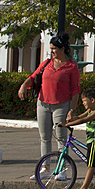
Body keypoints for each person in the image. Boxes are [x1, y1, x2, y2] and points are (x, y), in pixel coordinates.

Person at [17, 34, 80, 180]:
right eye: (50, 48)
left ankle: (61, 169)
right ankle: (45, 168)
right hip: (43, 104)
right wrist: (23, 86)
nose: (51, 51)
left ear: (62, 49)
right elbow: (33, 77)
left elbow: (75, 90)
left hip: (61, 105)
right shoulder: (47, 63)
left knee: (61, 138)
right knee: (44, 138)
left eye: (54, 48)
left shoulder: (71, 66)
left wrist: (72, 110)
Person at [59, 88, 95, 189]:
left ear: (92, 100)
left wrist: (67, 125)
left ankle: (83, 188)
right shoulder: (89, 111)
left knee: (90, 166)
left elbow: (83, 120)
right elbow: (79, 117)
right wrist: (70, 119)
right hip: (92, 142)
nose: (83, 103)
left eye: (84, 101)